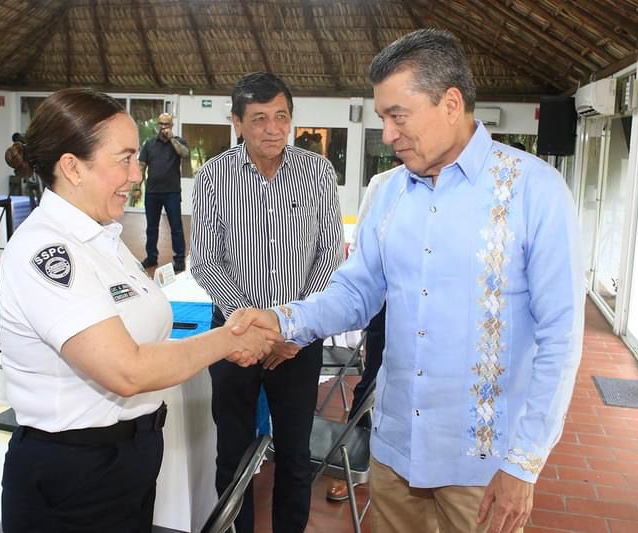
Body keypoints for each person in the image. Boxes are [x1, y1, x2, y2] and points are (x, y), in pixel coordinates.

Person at [229, 29, 584, 533]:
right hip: (395, 454)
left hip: (481, 467)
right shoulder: (390, 192)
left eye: (398, 116)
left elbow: (560, 337)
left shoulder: (533, 191)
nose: (389, 134)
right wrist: (283, 319)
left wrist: (523, 464)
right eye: (382, 119)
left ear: (450, 102)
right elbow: (356, 291)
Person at [0, 88, 280, 533]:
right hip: (75, 474)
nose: (136, 174)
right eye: (124, 159)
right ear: (72, 167)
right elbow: (125, 370)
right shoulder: (47, 249)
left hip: (128, 461)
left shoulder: (104, 238)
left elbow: (145, 336)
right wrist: (229, 338)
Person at [190, 71, 344, 533]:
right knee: (232, 455)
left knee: (295, 456)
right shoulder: (214, 175)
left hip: (298, 344)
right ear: (237, 122)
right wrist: (255, 331)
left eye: (281, 116)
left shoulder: (317, 172)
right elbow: (204, 260)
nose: (273, 128)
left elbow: (329, 256)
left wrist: (290, 329)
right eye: (259, 118)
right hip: (234, 342)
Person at [326, 156, 403, 503]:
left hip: (440, 319)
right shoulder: (383, 183)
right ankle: (353, 467)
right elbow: (360, 250)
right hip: (387, 308)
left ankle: (404, 475)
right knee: (372, 384)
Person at [138, 112, 189, 272]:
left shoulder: (179, 142)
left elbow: (185, 154)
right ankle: (151, 257)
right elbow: (141, 166)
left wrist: (172, 139)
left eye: (166, 124)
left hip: (172, 192)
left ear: (171, 126)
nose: (163, 127)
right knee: (151, 228)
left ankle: (179, 259)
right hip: (152, 192)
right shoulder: (149, 144)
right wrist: (137, 187)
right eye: (160, 124)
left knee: (176, 227)